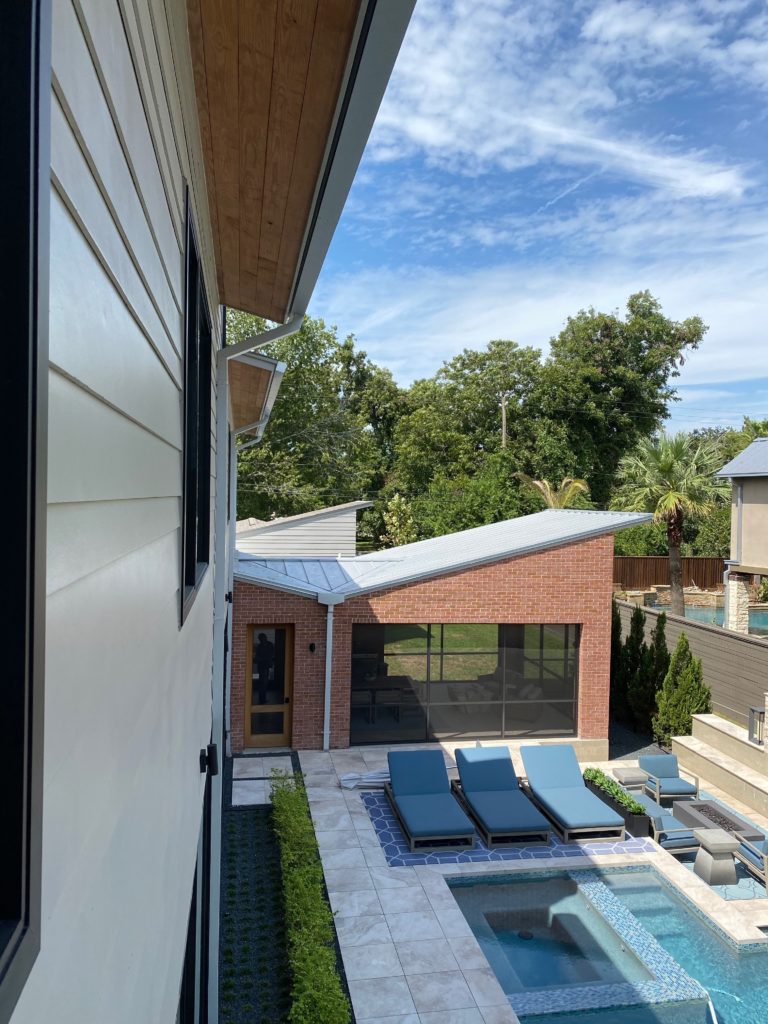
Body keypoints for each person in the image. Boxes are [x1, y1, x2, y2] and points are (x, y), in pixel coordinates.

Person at [254, 632, 275, 704]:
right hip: (262, 666)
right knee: (263, 682)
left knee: (265, 682)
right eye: (260, 638)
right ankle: (262, 699)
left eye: (263, 638)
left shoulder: (269, 645)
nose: (261, 640)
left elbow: (272, 655)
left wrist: (268, 661)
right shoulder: (259, 646)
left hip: (267, 665)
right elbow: (257, 657)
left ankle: (263, 698)